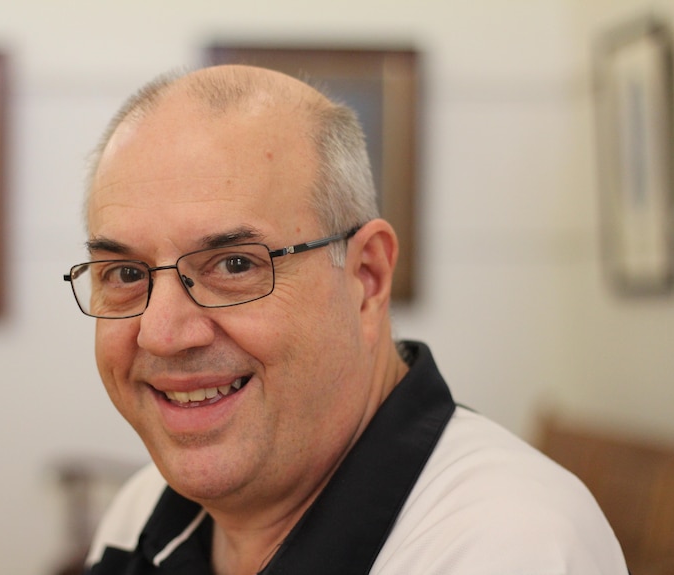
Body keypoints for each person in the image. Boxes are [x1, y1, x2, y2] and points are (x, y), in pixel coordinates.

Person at [64, 65, 628, 574]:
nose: (162, 333)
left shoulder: (509, 546)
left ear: (367, 277)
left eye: (234, 265)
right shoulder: (139, 513)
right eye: (125, 274)